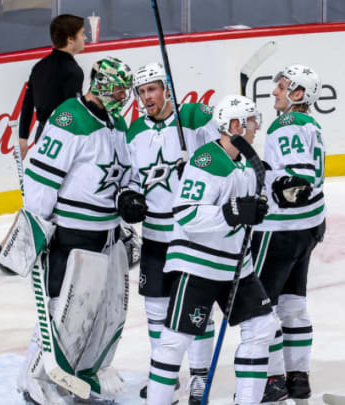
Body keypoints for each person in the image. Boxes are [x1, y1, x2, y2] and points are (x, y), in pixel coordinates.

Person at [17, 56, 144, 404]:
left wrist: (129, 195)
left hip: (108, 234)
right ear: (101, 84)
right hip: (73, 234)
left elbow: (125, 171)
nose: (124, 94)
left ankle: (84, 375)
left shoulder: (116, 122)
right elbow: (41, 177)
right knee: (64, 312)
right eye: (118, 87)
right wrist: (38, 231)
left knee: (104, 312)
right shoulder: (69, 118)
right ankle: (36, 379)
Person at [146, 95, 278, 405]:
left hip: (236, 265)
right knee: (175, 341)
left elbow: (251, 208)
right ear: (235, 125)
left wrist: (265, 203)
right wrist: (232, 212)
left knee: (261, 327)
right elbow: (186, 212)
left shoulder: (246, 162)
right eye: (252, 120)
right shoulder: (205, 160)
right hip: (199, 263)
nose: (257, 126)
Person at [126, 61, 221, 403]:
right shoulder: (134, 131)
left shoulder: (194, 116)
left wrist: (197, 162)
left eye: (152, 89)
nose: (147, 97)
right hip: (154, 233)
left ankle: (199, 376)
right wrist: (130, 197)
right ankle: (162, 375)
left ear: (165, 88)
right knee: (154, 307)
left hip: (190, 235)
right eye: (141, 92)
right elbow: (132, 179)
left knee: (197, 308)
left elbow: (224, 154)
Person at [249, 64, 326, 404]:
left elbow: (297, 179)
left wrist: (278, 184)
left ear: (297, 94)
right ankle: (298, 377)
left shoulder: (288, 123)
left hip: (280, 230)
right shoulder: (311, 124)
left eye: (281, 87)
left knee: (262, 306)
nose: (274, 92)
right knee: (294, 304)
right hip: (309, 227)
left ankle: (273, 377)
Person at [19, 13, 86, 158]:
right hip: (62, 137)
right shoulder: (73, 71)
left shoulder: (39, 66)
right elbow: (74, 112)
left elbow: (27, 104)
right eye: (82, 34)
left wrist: (23, 137)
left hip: (42, 135)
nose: (85, 38)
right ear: (70, 39)